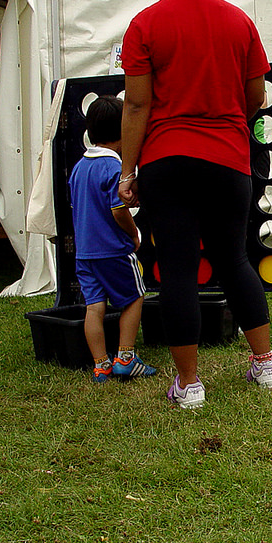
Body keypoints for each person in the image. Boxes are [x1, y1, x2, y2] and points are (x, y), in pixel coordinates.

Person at [118, 0, 272, 409]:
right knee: (235, 260)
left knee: (180, 271)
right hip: (228, 159)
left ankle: (189, 386)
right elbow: (256, 94)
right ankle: (266, 365)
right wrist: (228, 124)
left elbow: (137, 105)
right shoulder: (239, 21)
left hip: (168, 160)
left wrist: (128, 172)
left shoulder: (145, 24)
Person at [69, 96, 158, 383]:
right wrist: (133, 234)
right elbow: (118, 209)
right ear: (124, 130)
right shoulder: (114, 168)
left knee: (94, 307)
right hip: (114, 250)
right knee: (135, 297)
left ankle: (100, 365)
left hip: (85, 254)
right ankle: (126, 358)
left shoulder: (79, 168)